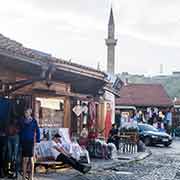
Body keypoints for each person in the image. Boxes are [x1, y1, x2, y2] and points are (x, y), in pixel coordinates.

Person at [20, 108, 40, 180]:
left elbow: (38, 131)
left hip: (31, 142)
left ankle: (31, 176)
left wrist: (37, 140)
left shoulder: (34, 121)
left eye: (27, 112)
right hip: (24, 142)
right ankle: (23, 176)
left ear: (30, 113)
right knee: (24, 159)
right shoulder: (22, 120)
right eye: (25, 112)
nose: (25, 114)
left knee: (31, 159)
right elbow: (20, 130)